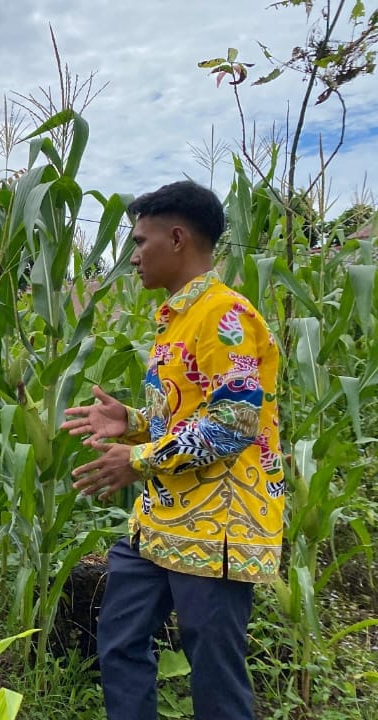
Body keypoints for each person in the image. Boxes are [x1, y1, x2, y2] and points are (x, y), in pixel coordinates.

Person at [60, 180, 284, 720]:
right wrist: (134, 423)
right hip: (160, 521)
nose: (133, 257)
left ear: (178, 238)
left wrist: (136, 461)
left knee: (214, 675)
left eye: (140, 242)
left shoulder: (225, 317)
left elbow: (233, 425)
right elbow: (187, 419)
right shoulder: (177, 319)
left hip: (216, 529)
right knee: (118, 640)